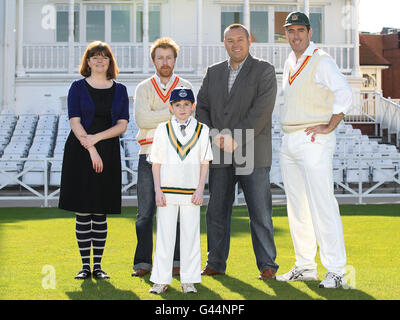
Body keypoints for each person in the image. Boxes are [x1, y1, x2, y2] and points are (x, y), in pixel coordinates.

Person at [195, 24, 279, 280]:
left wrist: (235, 138)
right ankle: (215, 263)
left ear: (249, 41)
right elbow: (202, 109)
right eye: (230, 40)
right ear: (224, 44)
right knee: (217, 211)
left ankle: (267, 265)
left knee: (260, 212)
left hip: (252, 150)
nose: (235, 44)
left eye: (240, 39)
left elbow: (262, 111)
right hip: (220, 151)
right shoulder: (213, 72)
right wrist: (214, 135)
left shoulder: (264, 70)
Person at [276, 12, 352, 289]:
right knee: (297, 207)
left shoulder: (321, 59)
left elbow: (345, 93)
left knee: (322, 204)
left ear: (309, 32)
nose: (294, 35)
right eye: (290, 31)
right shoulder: (289, 61)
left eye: (299, 30)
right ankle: (306, 265)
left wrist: (330, 125)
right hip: (289, 139)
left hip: (313, 139)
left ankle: (336, 270)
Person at [59, 41, 129, 280]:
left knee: (100, 212)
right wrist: (91, 148)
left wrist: (97, 139)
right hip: (80, 152)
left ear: (110, 62)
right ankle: (84, 266)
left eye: (104, 57)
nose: (100, 61)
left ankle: (98, 266)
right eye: (95, 57)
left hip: (108, 150)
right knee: (83, 211)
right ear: (87, 62)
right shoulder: (77, 87)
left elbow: (122, 124)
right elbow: (75, 121)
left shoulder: (119, 90)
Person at [132, 38, 193, 277]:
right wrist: (172, 111)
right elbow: (141, 120)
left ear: (175, 60)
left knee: (176, 210)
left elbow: (187, 119)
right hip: (148, 154)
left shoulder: (185, 84)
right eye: (160, 57)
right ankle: (143, 262)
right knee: (145, 212)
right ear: (153, 60)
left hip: (177, 156)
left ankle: (176, 261)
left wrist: (162, 114)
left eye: (169, 57)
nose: (165, 62)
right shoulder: (143, 87)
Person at [147, 87, 213, 294]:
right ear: (171, 108)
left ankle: (189, 280)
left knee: (191, 236)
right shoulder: (161, 129)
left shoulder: (203, 129)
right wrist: (157, 191)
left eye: (186, 105)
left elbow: (205, 163)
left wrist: (200, 190)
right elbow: (155, 163)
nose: (182, 109)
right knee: (165, 236)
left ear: (193, 107)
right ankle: (160, 279)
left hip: (191, 192)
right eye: (178, 105)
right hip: (166, 191)